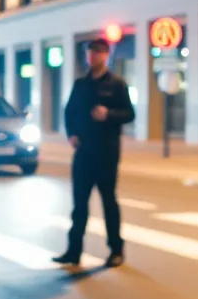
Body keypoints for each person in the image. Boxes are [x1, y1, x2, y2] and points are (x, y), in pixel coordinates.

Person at [53, 38, 136, 268]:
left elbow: (129, 114)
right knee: (79, 204)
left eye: (97, 53)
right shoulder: (81, 84)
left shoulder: (117, 84)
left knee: (109, 202)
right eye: (90, 53)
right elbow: (69, 111)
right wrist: (71, 134)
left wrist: (108, 114)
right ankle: (73, 251)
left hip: (107, 153)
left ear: (105, 56)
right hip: (83, 153)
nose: (92, 57)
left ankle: (116, 250)